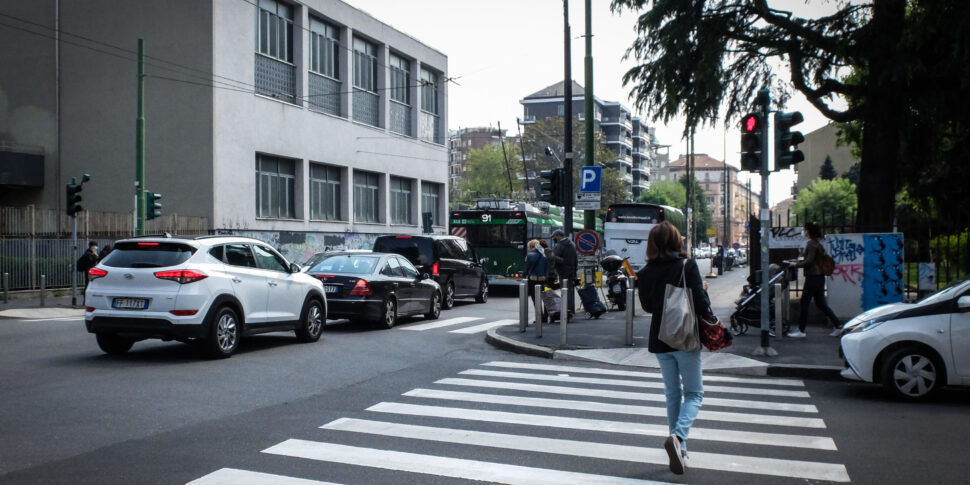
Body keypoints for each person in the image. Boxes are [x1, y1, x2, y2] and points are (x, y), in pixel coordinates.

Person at [636, 221, 710, 475]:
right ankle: (678, 438)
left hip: (660, 338)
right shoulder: (686, 265)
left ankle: (682, 450)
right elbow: (699, 303)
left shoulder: (645, 272)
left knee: (672, 394)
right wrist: (703, 293)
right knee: (694, 393)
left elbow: (647, 307)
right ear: (676, 241)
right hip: (685, 335)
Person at [789, 221, 841, 337]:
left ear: (808, 231)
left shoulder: (811, 244)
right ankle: (838, 325)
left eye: (805, 229)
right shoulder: (817, 243)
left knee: (804, 303)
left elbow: (809, 261)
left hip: (813, 277)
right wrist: (798, 261)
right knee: (821, 304)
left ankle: (801, 331)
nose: (804, 231)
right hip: (819, 277)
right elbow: (812, 260)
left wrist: (795, 265)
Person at [551, 229, 578, 315]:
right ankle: (570, 309)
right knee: (569, 290)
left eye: (554, 237)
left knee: (564, 290)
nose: (554, 238)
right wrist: (575, 270)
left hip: (562, 271)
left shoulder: (559, 245)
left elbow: (554, 257)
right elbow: (575, 259)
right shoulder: (572, 244)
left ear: (559, 236)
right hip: (571, 270)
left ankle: (565, 310)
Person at [523, 239, 548, 306]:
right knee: (545, 298)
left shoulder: (529, 255)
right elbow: (546, 269)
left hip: (532, 280)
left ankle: (539, 314)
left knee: (535, 299)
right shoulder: (544, 256)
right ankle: (545, 314)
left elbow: (526, 269)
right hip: (543, 280)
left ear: (530, 246)